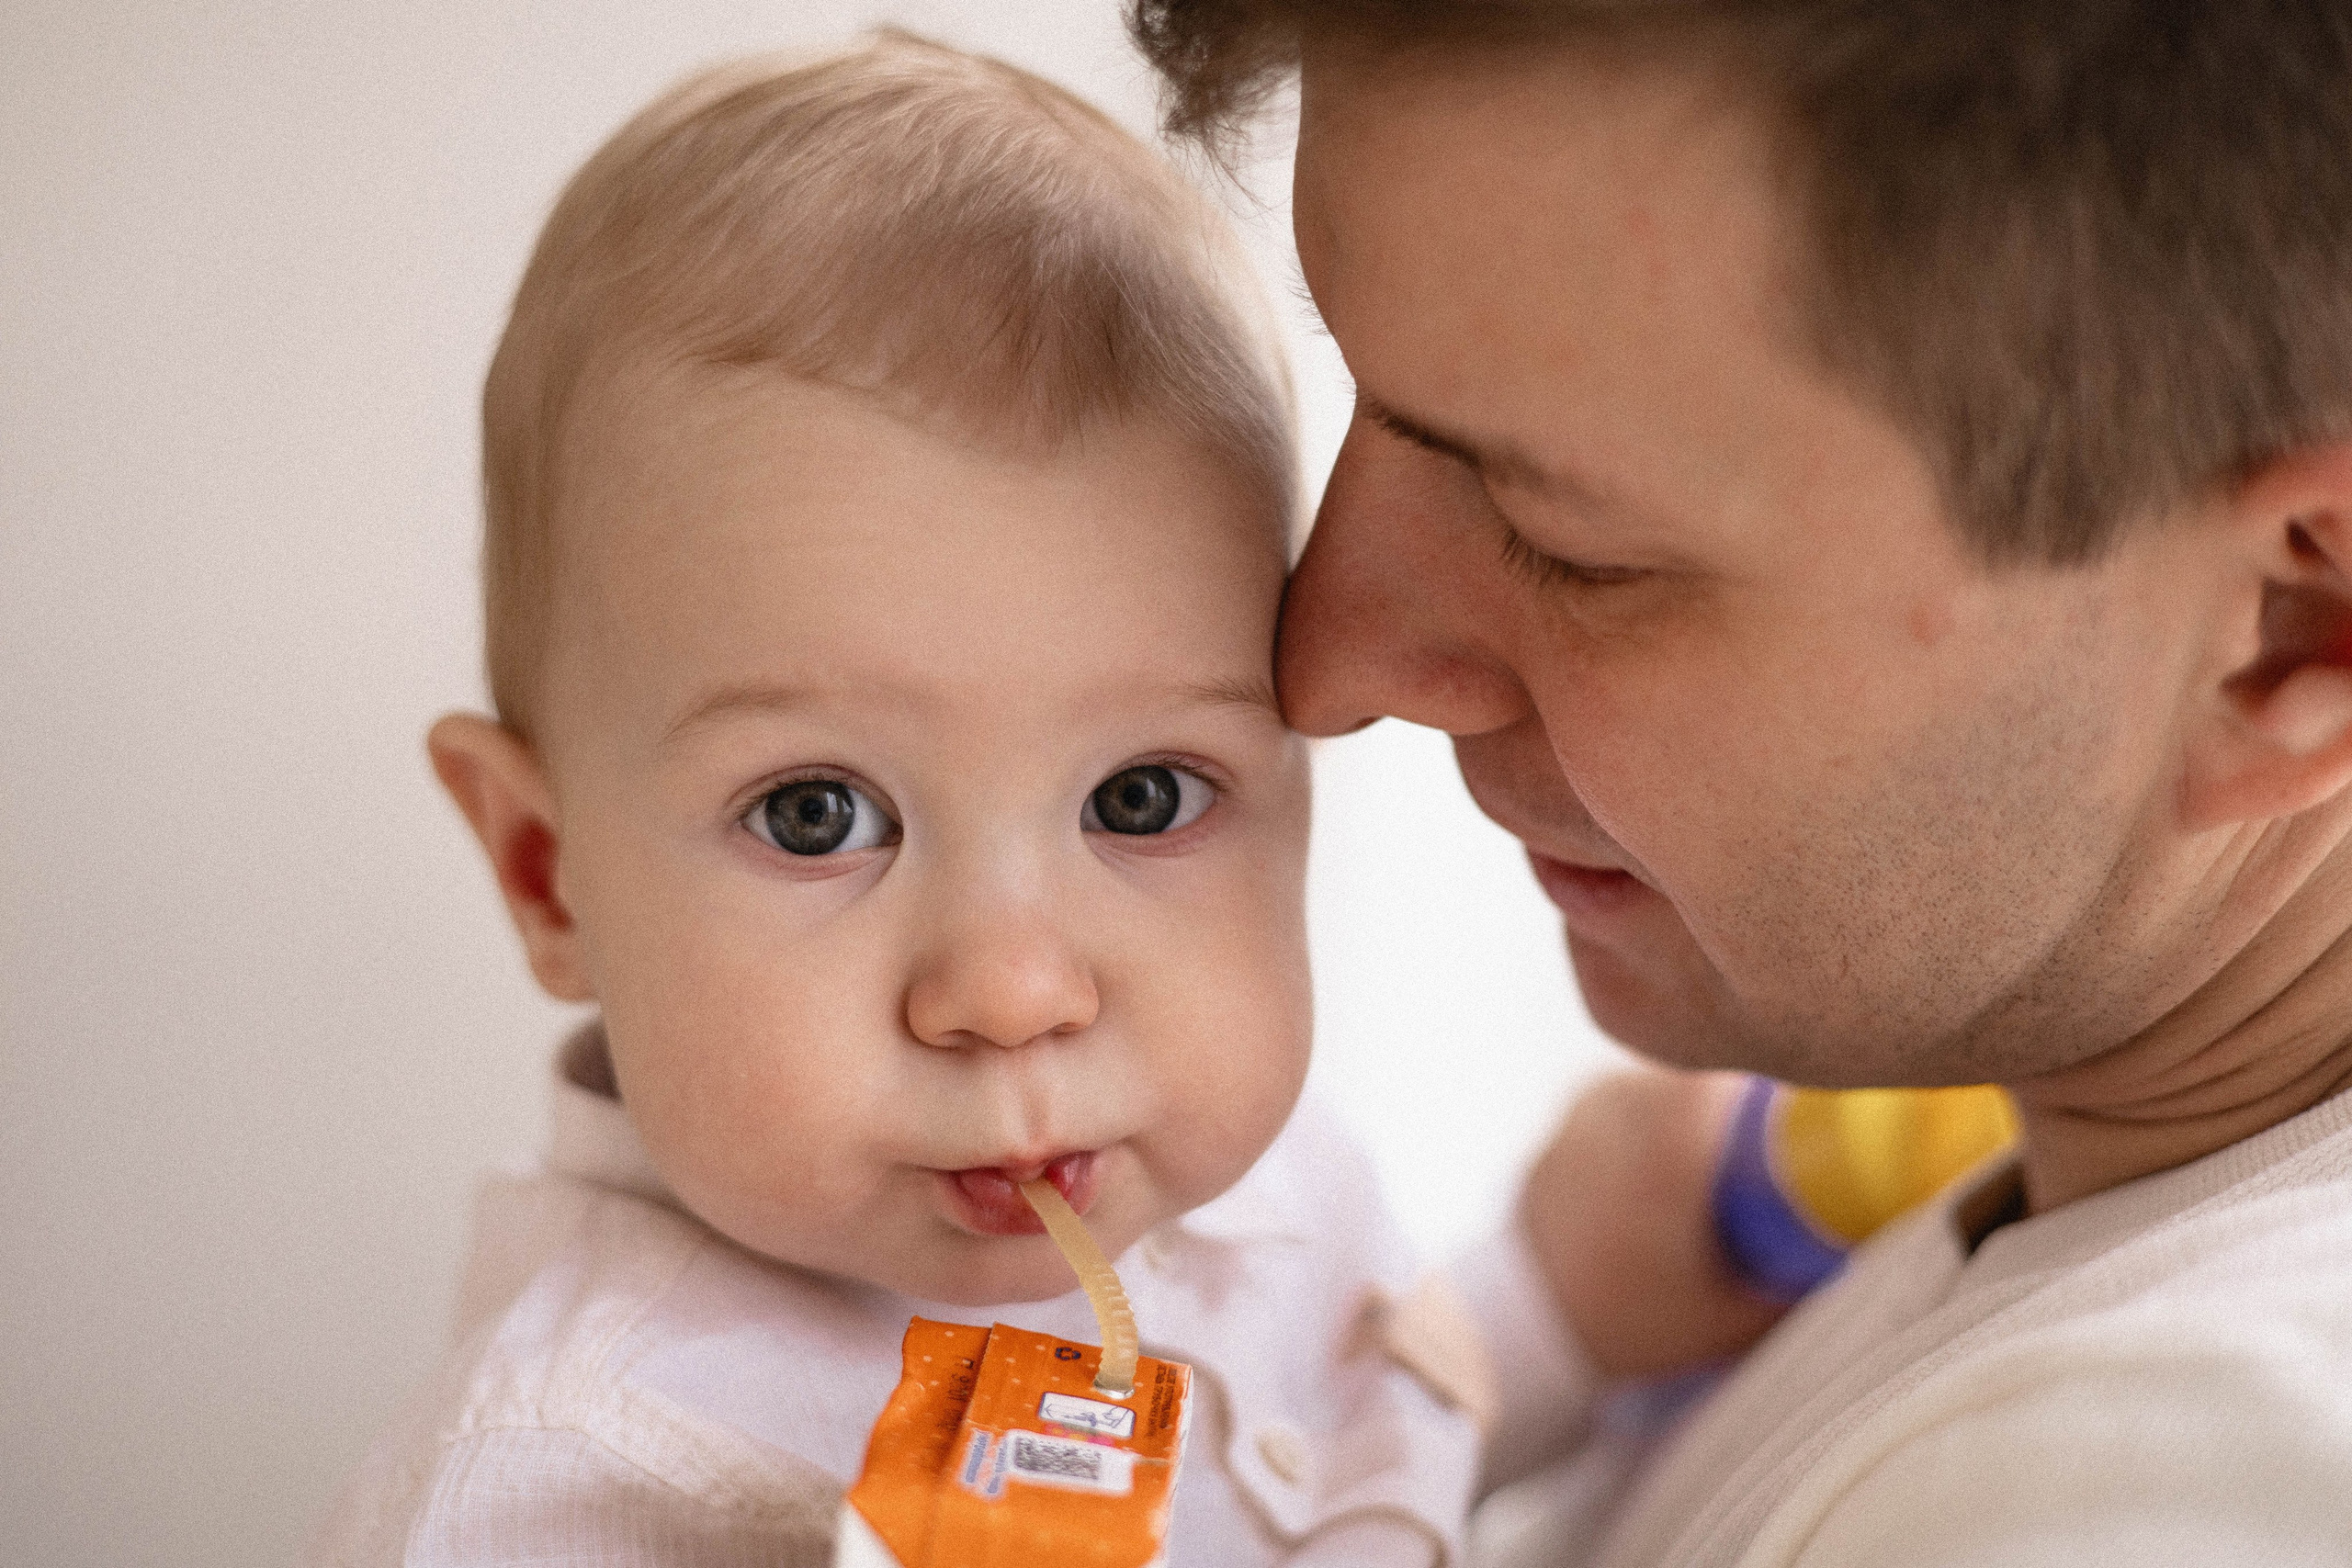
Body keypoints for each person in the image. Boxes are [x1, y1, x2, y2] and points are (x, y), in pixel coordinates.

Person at [1127, 1, 2352, 1563]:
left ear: (2290, 631)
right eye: (1359, 389)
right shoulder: (2008, 1180)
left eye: (1572, 544)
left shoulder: (2182, 1487)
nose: (1321, 668)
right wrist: (1526, 1330)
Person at [306, 34, 1488, 1566]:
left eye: (1141, 796)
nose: (1012, 994)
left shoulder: (1272, 1191)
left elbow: (1362, 1451)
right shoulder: (578, 1481)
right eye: (818, 815)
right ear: (549, 873)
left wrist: (1577, 1296)